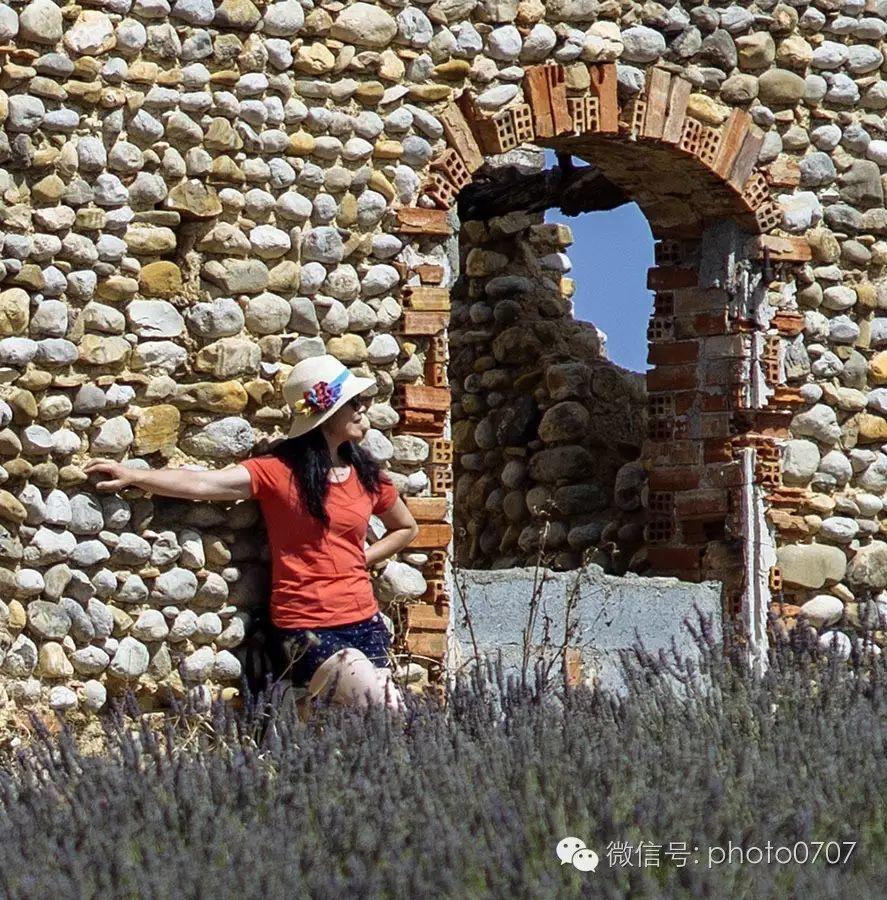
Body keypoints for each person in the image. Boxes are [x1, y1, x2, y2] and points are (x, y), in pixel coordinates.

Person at [83, 354, 420, 719]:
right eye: (351, 402)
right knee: (382, 709)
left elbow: (406, 527)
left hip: (363, 621)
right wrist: (134, 476)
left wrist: (361, 559)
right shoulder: (278, 473)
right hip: (304, 626)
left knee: (376, 720)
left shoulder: (369, 476)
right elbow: (204, 482)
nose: (362, 408)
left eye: (362, 401)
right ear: (324, 413)